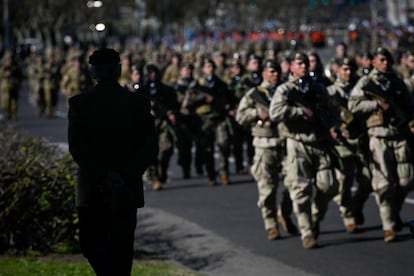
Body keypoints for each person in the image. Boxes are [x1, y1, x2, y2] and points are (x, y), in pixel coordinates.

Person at [68, 48, 158, 275]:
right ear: (119, 70)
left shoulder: (80, 103)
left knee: (91, 243)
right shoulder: (138, 103)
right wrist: (124, 175)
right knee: (122, 248)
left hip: (93, 186)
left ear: (93, 73)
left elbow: (78, 148)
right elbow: (149, 148)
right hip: (126, 186)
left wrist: (102, 174)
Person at [269, 52, 339, 249]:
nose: (304, 67)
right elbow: (275, 112)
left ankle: (315, 219)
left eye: (306, 63)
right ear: (291, 67)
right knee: (301, 190)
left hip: (320, 142)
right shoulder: (285, 89)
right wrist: (299, 112)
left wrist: (334, 127)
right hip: (298, 143)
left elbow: (331, 110)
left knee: (329, 186)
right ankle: (307, 232)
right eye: (299, 63)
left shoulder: (317, 88)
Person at [348, 47, 414, 243]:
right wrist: (376, 105)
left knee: (407, 180)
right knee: (384, 182)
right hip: (378, 135)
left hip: (399, 135)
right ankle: (388, 226)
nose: (385, 63)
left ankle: (394, 212)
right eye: (381, 60)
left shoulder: (397, 83)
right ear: (374, 62)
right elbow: (354, 105)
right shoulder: (367, 83)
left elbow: (409, 106)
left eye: (388, 60)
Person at [236, 59, 297, 240]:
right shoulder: (254, 94)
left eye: (277, 71)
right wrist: (257, 114)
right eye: (271, 71)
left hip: (286, 143)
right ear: (263, 73)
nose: (275, 74)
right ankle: (271, 223)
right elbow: (240, 116)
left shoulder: (286, 91)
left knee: (293, 184)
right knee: (267, 188)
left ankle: (284, 213)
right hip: (265, 145)